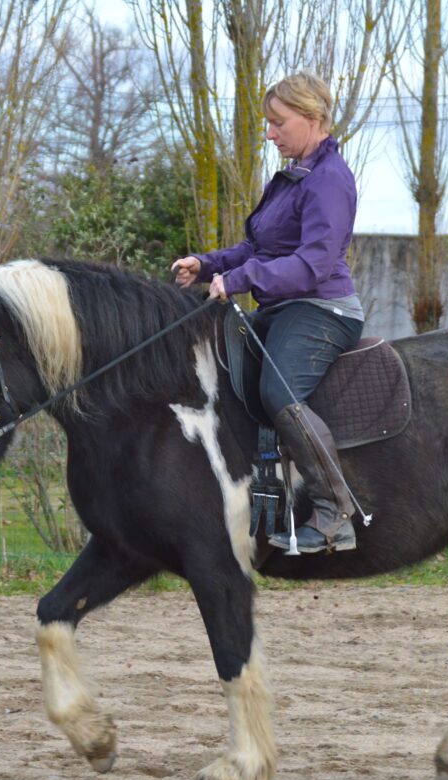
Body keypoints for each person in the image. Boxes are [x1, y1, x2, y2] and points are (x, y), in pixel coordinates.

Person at [172, 72, 363, 555]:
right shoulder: (294, 177)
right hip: (282, 307)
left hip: (322, 309)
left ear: (313, 118)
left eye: (279, 123)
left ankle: (334, 515)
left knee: (278, 389)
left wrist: (240, 280)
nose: (270, 133)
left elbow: (313, 264)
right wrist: (209, 264)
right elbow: (259, 247)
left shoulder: (329, 180)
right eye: (268, 123)